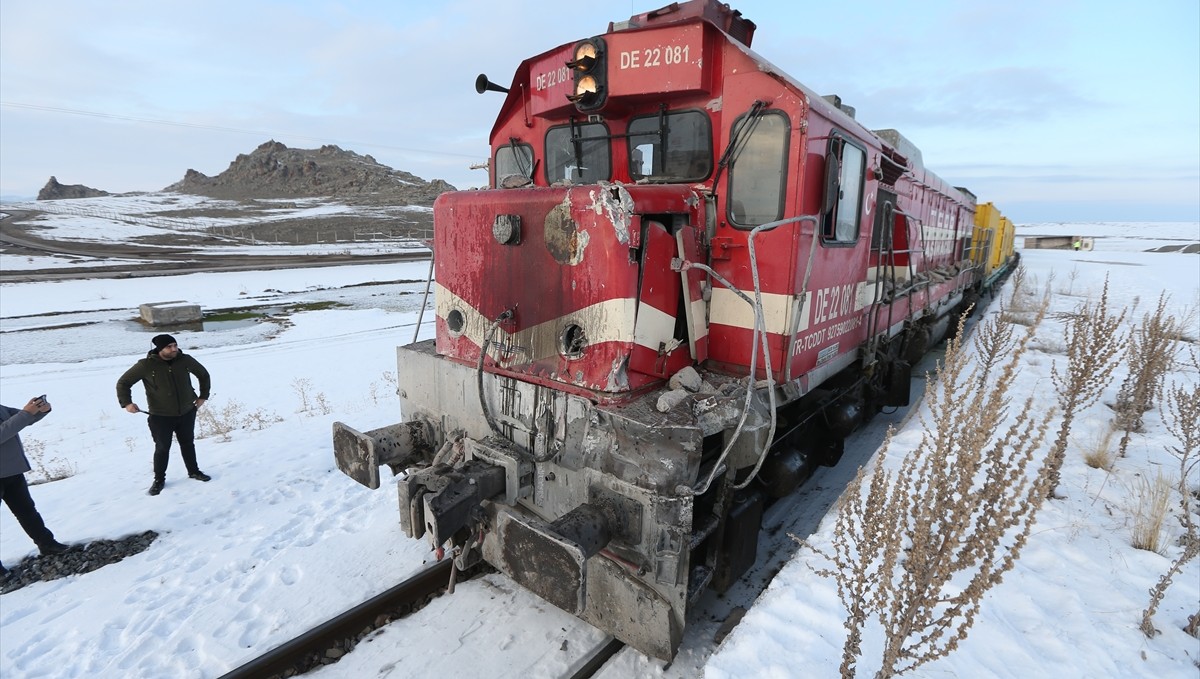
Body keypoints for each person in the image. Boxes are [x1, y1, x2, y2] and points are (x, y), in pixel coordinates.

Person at [116, 334, 213, 496]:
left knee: (188, 443)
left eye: (175, 345)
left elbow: (203, 375)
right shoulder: (146, 365)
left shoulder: (185, 360)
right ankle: (159, 480)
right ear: (160, 349)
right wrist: (127, 403)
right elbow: (123, 383)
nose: (174, 349)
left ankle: (194, 471)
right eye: (169, 347)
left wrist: (203, 396)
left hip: (187, 412)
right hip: (160, 416)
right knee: (162, 448)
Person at [1, 395, 71, 579]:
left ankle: (47, 544)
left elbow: (21, 419)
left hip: (12, 471)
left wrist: (40, 410)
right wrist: (26, 413)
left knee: (27, 511)